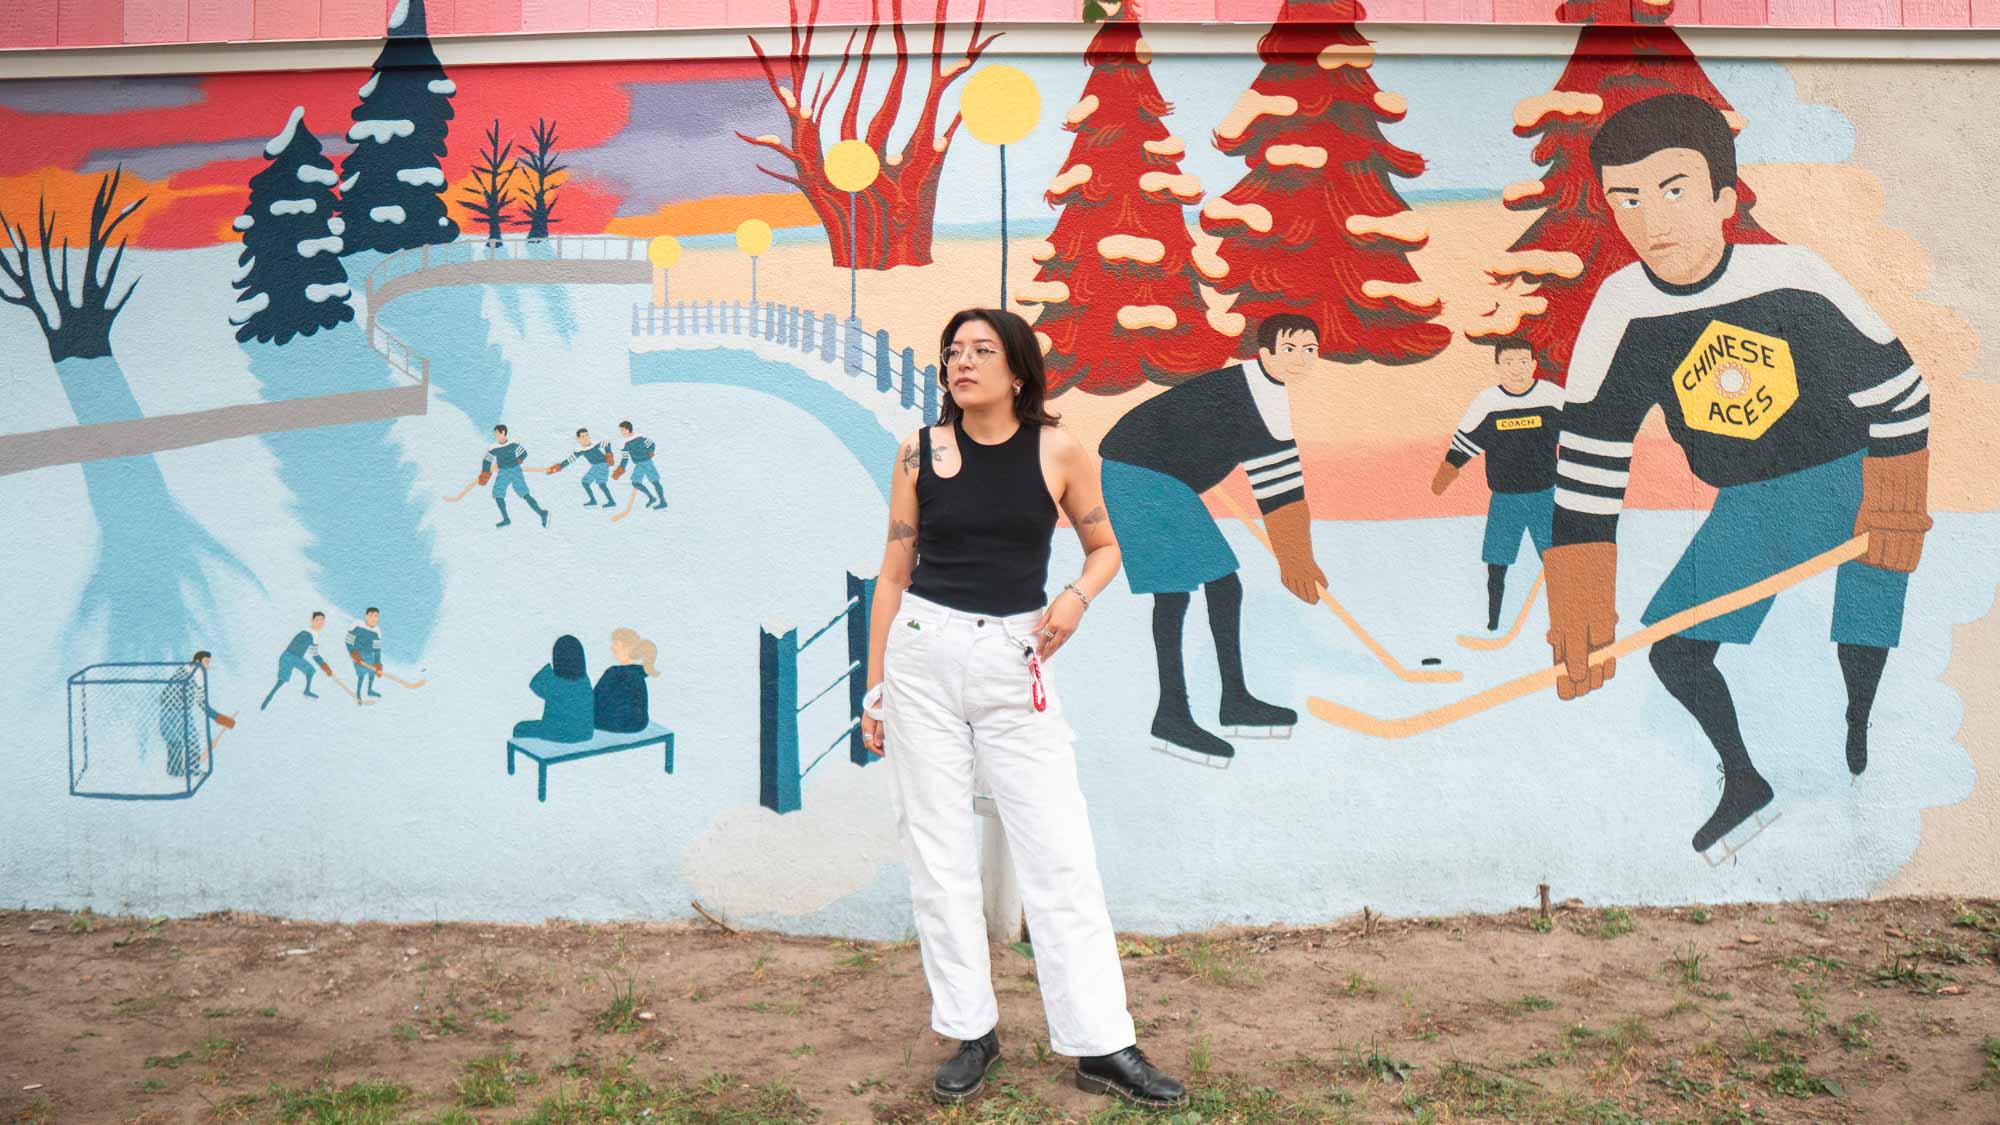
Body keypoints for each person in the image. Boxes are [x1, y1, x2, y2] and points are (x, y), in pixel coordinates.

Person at [1545, 94, 1930, 858]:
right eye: (1627, 198)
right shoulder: (1621, 310)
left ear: (1724, 197)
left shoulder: (1792, 277)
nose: (1652, 219)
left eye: (1673, 189)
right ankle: (1746, 782)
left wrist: (1894, 506)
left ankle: (1859, 718)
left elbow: (1901, 393)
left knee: (1866, 608)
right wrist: (1582, 598)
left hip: (1852, 474)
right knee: (1675, 647)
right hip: (1752, 501)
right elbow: (1591, 457)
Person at [860, 307, 1186, 1110]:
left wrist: (1074, 597)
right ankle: (970, 1030)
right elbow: (893, 574)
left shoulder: (1057, 449)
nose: (962, 362)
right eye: (953, 351)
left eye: (981, 350)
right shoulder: (918, 451)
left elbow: (1106, 546)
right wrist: (874, 687)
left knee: (1060, 853)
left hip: (1016, 658)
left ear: (1017, 371)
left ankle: (1101, 1042)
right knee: (937, 852)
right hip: (922, 655)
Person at [1096, 314, 1329, 761]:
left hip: (1163, 480)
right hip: (1138, 474)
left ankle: (1232, 700)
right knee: (1177, 593)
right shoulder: (1250, 394)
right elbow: (1279, 494)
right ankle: (1173, 714)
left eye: (1310, 350)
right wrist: (1292, 558)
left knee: (1221, 584)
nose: (1301, 358)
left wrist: (1297, 557)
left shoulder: (1267, 396)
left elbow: (1281, 489)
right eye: (1290, 349)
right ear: (1265, 352)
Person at [1431, 338, 1564, 631]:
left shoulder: (1552, 397)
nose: (1516, 369)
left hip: (1545, 497)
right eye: (1508, 362)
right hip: (1505, 501)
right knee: (1496, 564)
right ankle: (1493, 623)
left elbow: (1578, 435)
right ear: (1497, 367)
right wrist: (1447, 472)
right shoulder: (1487, 402)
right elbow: (1465, 443)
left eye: (1523, 362)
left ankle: (1566, 621)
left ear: (1533, 364)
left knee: (1559, 563)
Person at [512, 635, 594, 743]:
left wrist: (546, 669)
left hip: (556, 733)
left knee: (519, 728)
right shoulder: (585, 680)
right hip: (585, 734)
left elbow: (534, 684)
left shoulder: (553, 680)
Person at [165, 650, 234, 778]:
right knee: (175, 741)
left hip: (183, 713)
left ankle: (191, 768)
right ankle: (174, 770)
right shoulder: (185, 672)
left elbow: (202, 703)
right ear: (197, 661)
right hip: (171, 711)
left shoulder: (200, 678)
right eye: (206, 662)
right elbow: (169, 693)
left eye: (209, 662)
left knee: (192, 739)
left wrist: (220, 718)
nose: (208, 665)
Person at [261, 611, 335, 709]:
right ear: (312, 620)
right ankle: (268, 698)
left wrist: (325, 667)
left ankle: (307, 690)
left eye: (322, 621)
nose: (320, 623)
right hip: (288, 656)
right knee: (281, 681)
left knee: (310, 671)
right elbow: (310, 652)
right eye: (318, 620)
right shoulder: (307, 632)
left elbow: (314, 654)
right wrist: (325, 667)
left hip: (296, 658)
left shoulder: (314, 636)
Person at [482, 424, 549, 529]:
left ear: (503, 432)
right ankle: (506, 519)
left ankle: (542, 513)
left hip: (515, 470)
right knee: (498, 494)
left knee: (524, 493)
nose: (496, 435)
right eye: (495, 434)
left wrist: (519, 460)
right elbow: (487, 460)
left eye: (497, 433)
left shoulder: (513, 443)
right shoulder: (493, 447)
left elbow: (524, 453)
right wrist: (485, 473)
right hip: (503, 472)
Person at [593, 627, 658, 734]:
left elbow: (595, 699)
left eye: (615, 644)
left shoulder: (613, 672)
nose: (612, 648)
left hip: (609, 723)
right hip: (639, 724)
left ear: (628, 649)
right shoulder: (639, 673)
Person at [548, 428, 617, 508]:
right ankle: (595, 500)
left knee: (599, 483)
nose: (586, 438)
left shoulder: (594, 445)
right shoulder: (580, 450)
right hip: (596, 466)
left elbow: (607, 443)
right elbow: (570, 460)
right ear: (578, 439)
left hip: (602, 465)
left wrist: (609, 454)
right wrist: (559, 467)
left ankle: (609, 501)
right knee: (586, 482)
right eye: (583, 436)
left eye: (587, 435)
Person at [615, 421, 666, 511]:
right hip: (638, 464)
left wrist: (650, 453)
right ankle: (651, 497)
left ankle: (663, 502)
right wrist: (621, 468)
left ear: (627, 429)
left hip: (647, 462)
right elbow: (625, 458)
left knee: (655, 481)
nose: (621, 432)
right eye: (620, 430)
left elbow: (652, 444)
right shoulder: (626, 444)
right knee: (635, 482)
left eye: (622, 430)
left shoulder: (641, 438)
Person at [345, 607, 384, 703]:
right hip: (358, 654)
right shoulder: (357, 626)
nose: (373, 618)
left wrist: (378, 663)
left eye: (376, 616)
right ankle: (358, 693)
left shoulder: (377, 632)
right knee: (361, 673)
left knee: (372, 672)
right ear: (366, 616)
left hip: (369, 654)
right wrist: (353, 653)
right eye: (371, 615)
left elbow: (377, 650)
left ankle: (369, 690)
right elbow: (348, 642)